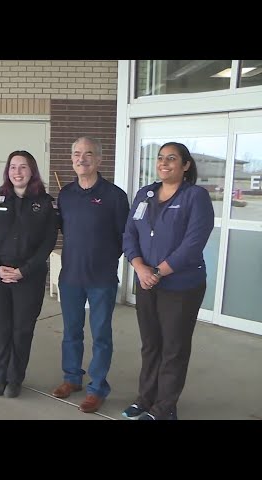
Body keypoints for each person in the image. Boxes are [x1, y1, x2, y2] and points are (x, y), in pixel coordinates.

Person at [122, 142, 214, 420]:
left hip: (181, 286)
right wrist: (139, 267)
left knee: (173, 348)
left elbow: (193, 244)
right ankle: (145, 399)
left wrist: (158, 272)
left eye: (172, 158)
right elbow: (129, 234)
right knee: (151, 345)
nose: (164, 163)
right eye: (161, 158)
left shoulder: (195, 196)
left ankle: (164, 409)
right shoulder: (145, 194)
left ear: (185, 165)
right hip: (146, 281)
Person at [50, 137, 130, 414]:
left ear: (99, 160)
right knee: (71, 332)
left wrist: (107, 261)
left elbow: (125, 236)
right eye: (76, 153)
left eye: (88, 154)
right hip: (70, 275)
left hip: (101, 279)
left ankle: (97, 389)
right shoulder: (66, 195)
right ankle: (72, 378)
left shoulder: (115, 196)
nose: (81, 158)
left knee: (101, 335)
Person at [0, 150, 58, 398]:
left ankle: (15, 379)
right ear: (7, 171)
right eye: (13, 167)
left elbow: (48, 242)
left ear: (32, 171)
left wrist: (24, 270)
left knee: (22, 330)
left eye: (23, 167)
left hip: (29, 277)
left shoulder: (45, 203)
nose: (17, 172)